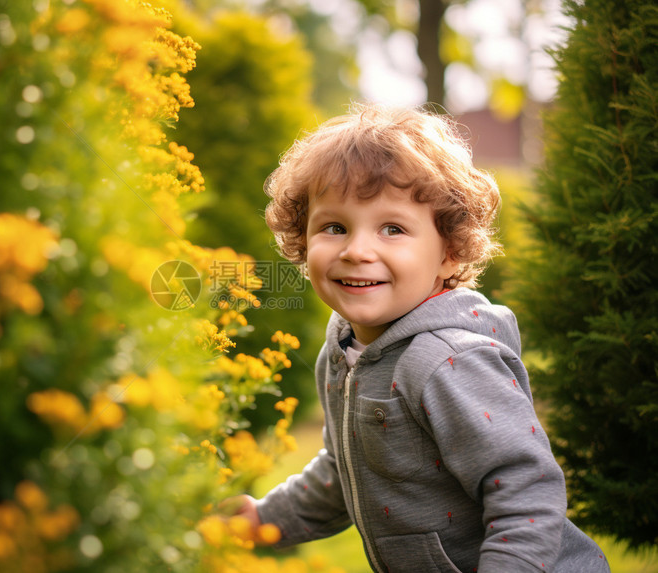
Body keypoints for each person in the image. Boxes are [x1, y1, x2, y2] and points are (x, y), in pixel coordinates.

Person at [228, 103, 610, 572]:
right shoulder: (344, 348)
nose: (356, 250)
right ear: (303, 242)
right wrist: (265, 519)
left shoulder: (447, 361)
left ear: (450, 253)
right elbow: (344, 470)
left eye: (393, 229)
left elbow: (526, 494)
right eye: (334, 227)